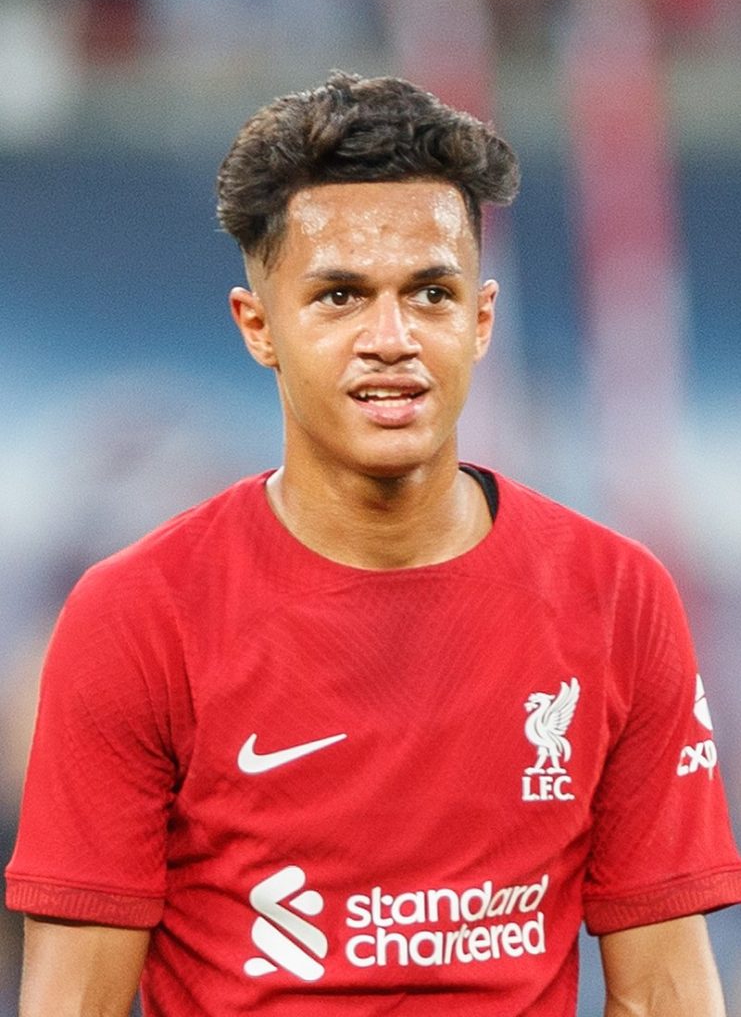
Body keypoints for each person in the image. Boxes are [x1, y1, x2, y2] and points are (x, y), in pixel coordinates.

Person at [5, 71, 741, 1017]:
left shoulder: (615, 597)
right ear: (259, 326)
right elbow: (75, 1002)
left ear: (479, 320)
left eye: (430, 293)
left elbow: (665, 992)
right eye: (340, 296)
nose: (390, 339)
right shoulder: (137, 616)